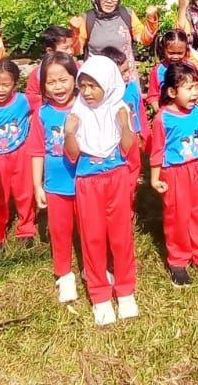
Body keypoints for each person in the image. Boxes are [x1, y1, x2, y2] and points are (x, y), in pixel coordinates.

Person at [64, 56, 139, 325]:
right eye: (82, 86)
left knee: (121, 235)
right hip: (88, 183)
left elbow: (127, 148)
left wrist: (124, 125)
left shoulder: (118, 108)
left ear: (107, 84)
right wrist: (70, 133)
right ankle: (99, 295)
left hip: (116, 178)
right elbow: (72, 155)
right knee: (92, 237)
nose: (87, 92)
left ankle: (126, 289)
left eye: (93, 86)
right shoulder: (77, 112)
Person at [149, 61, 198, 286]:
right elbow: (157, 150)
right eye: (189, 88)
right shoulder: (163, 118)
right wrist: (154, 178)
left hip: (197, 169)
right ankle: (178, 260)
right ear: (172, 92)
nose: (195, 93)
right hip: (174, 173)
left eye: (196, 87)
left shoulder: (197, 112)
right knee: (177, 216)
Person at [28, 52, 81, 303]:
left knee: (90, 228)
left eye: (64, 79)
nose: (58, 87)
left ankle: (95, 267)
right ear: (43, 86)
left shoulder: (86, 107)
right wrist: (37, 185)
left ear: (75, 78)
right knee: (60, 231)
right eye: (51, 82)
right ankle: (64, 273)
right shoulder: (41, 114)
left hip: (86, 181)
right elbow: (37, 150)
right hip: (56, 185)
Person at [0, 59, 35, 253]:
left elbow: (41, 105)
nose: (1, 89)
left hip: (22, 153)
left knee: (25, 192)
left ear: (15, 84)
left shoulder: (23, 100)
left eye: (6, 85)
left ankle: (26, 228)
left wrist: (32, 123)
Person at [69, 0, 159, 83]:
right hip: (98, 81)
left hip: (126, 78)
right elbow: (76, 50)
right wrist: (74, 31)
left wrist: (151, 19)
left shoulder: (127, 14)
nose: (110, 1)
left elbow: (144, 39)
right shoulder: (87, 18)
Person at [100, 46, 148, 197]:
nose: (127, 76)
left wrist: (143, 135)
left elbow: (139, 112)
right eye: (123, 73)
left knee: (134, 168)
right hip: (114, 140)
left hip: (132, 137)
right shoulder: (103, 95)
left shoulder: (132, 87)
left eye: (128, 70)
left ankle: (128, 201)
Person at [145, 29, 198, 108]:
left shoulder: (191, 67)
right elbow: (153, 96)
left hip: (190, 113)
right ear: (163, 49)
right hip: (169, 116)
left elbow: (197, 87)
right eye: (171, 53)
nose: (175, 57)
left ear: (186, 50)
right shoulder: (157, 70)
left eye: (180, 53)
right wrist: (159, 113)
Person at [25, 25, 74, 110]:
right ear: (50, 51)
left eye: (71, 46)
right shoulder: (38, 73)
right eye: (65, 48)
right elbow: (31, 98)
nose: (70, 51)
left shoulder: (77, 67)